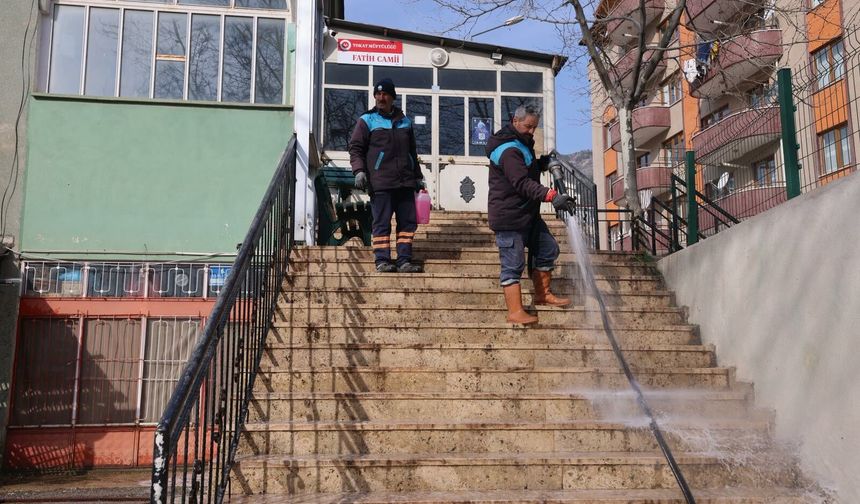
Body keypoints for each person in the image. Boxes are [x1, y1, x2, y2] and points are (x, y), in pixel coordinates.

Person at [486, 105, 576, 325]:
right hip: (509, 217)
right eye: (528, 126)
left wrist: (540, 164)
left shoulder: (520, 143)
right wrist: (551, 195)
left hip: (527, 214)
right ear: (515, 121)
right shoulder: (508, 149)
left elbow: (524, 169)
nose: (531, 131)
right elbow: (521, 182)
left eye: (534, 127)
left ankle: (542, 294)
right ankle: (515, 312)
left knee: (547, 249)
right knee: (512, 264)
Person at [349, 78, 424, 273]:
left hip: (405, 182)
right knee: (381, 223)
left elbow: (412, 152)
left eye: (385, 94)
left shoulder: (405, 121)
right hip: (380, 182)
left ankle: (404, 260)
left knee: (407, 223)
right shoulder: (367, 120)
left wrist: (417, 176)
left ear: (392, 97)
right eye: (378, 94)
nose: (381, 98)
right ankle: (382, 260)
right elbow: (356, 148)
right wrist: (359, 171)